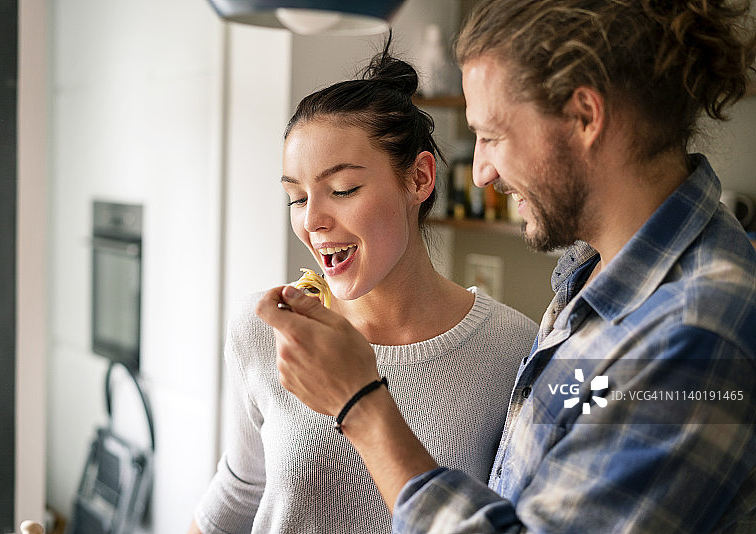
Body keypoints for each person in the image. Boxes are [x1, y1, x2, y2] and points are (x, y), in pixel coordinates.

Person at [256, 0, 756, 532]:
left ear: (584, 116)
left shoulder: (694, 330)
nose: (480, 173)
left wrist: (361, 405)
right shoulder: (595, 278)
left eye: (492, 136)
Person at [188, 40, 537, 534]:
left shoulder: (514, 350)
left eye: (343, 190)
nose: (312, 220)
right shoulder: (266, 328)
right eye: (296, 197)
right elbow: (240, 491)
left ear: (418, 179)